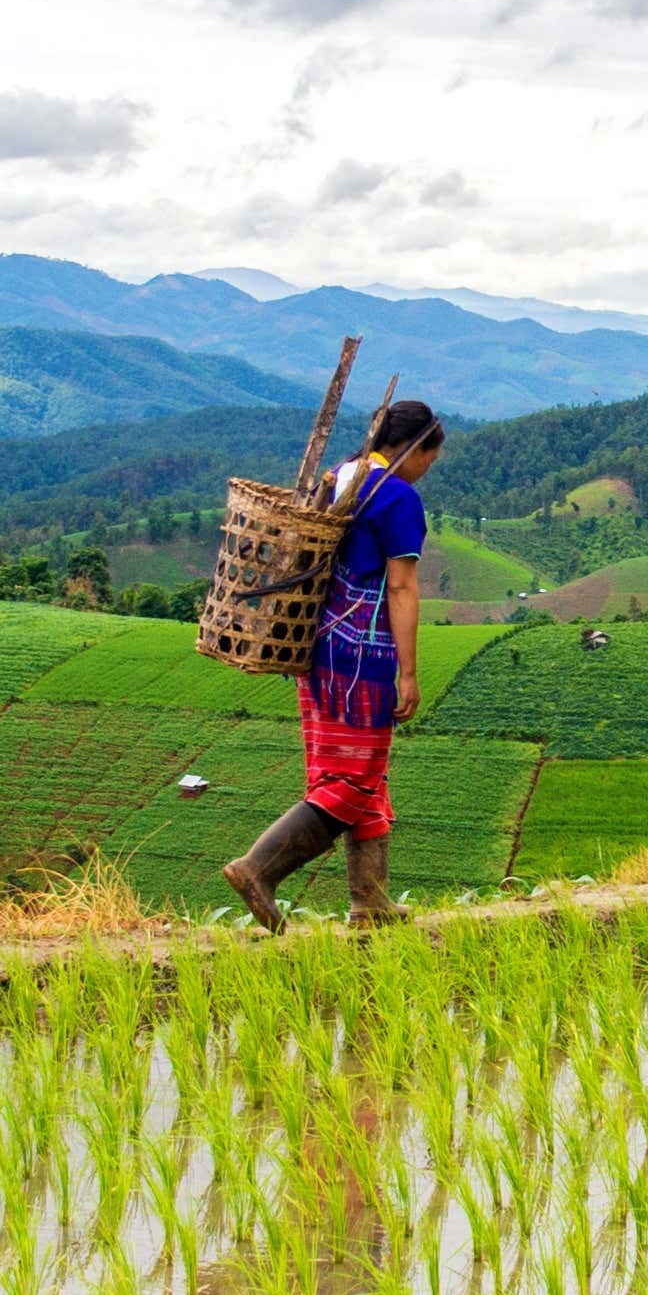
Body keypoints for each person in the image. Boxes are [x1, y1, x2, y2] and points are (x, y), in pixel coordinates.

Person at [228, 399, 440, 932]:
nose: (429, 469)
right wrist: (408, 674)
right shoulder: (397, 497)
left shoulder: (342, 475)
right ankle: (258, 870)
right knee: (351, 778)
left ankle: (370, 904)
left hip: (315, 647)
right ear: (414, 448)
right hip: (362, 656)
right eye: (430, 457)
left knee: (356, 775)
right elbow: (401, 585)